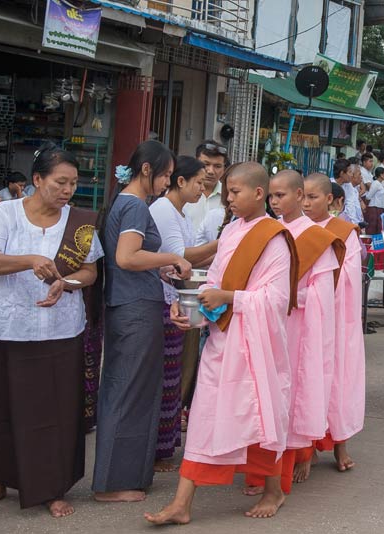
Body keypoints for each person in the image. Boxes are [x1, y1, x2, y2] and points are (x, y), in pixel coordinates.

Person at [145, 162, 297, 525]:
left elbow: (276, 299)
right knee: (204, 416)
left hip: (255, 346)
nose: (227, 199)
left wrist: (230, 296)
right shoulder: (229, 233)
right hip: (222, 339)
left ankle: (273, 490)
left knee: (259, 415)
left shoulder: (275, 237)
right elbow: (211, 280)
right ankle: (182, 504)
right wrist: (189, 306)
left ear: (258, 194)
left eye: (235, 192)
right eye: (227, 192)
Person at [0, 143, 104, 517]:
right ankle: (1, 480)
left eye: (73, 183)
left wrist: (68, 283)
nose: (68, 190)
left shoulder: (77, 222)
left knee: (59, 410)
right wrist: (29, 260)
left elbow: (89, 272)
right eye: (60, 182)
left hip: (62, 330)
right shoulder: (6, 213)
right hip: (13, 327)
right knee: (8, 409)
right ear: (37, 179)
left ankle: (53, 486)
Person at [93, 140, 192, 503]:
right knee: (130, 392)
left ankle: (123, 477)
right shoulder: (135, 206)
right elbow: (127, 257)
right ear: (147, 170)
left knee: (127, 389)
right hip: (135, 309)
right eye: (166, 175)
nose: (168, 182)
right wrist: (173, 258)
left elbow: (131, 260)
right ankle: (113, 484)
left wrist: (159, 266)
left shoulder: (124, 201)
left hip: (130, 304)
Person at [260, 170, 341, 494]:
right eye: (273, 196)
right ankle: (262, 466)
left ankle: (298, 456)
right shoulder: (269, 230)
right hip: (268, 321)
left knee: (297, 390)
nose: (305, 203)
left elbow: (323, 294)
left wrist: (288, 297)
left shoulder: (318, 237)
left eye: (309, 197)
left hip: (300, 327)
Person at [149, 156, 220, 472]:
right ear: (180, 181)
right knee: (165, 376)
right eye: (198, 182)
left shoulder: (181, 211)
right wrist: (222, 243)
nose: (202, 188)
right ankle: (157, 447)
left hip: (177, 296)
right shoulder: (164, 210)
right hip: (164, 299)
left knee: (175, 374)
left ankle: (164, 446)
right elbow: (180, 255)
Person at [302, 172, 366, 476]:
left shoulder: (345, 231)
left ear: (330, 199)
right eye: (302, 196)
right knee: (306, 381)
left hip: (336, 319)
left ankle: (340, 443)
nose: (306, 203)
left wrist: (323, 300)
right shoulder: (294, 229)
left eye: (313, 197)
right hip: (303, 318)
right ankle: (305, 449)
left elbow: (350, 279)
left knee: (337, 380)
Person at [183, 140, 229, 233]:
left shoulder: (229, 197)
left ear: (224, 168)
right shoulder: (180, 191)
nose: (210, 171)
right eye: (205, 164)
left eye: (217, 166)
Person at [334, 158, 363, 225]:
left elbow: (350, 204)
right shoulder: (330, 185)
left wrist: (355, 223)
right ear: (342, 173)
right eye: (349, 172)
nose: (351, 175)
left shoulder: (348, 186)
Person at [363, 167, 384, 234]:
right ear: (381, 175)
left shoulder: (381, 184)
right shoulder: (375, 183)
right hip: (374, 207)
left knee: (378, 226)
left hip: (380, 207)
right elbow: (368, 196)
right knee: (372, 226)